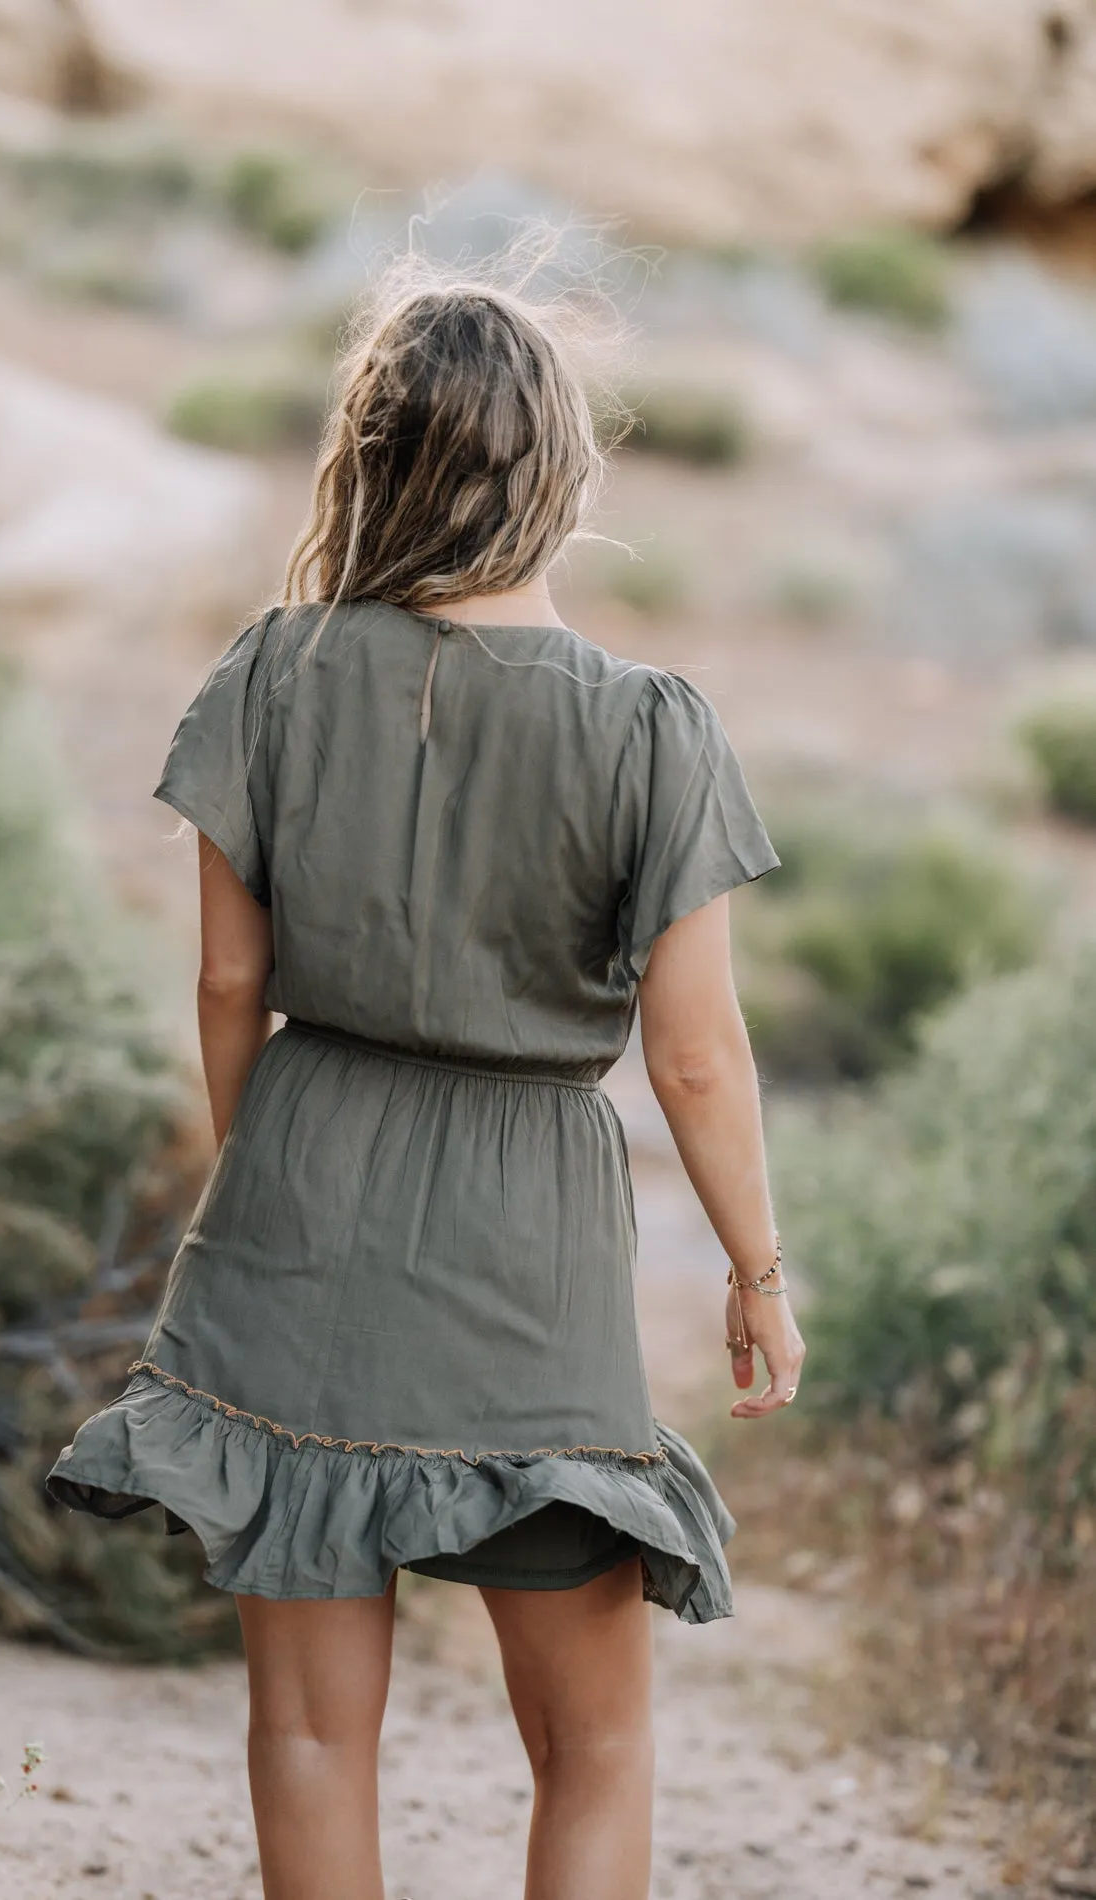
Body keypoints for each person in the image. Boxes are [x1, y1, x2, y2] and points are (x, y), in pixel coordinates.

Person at [48, 265, 806, 1900]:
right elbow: (692, 1052)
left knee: (314, 1736)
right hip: (527, 1238)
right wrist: (753, 1270)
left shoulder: (272, 673)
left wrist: (275, 1173)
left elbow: (227, 981)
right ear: (561, 473)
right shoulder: (648, 729)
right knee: (592, 1747)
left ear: (366, 458)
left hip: (305, 1186)